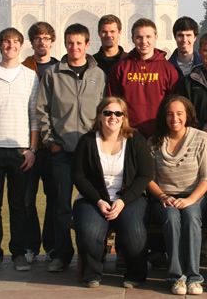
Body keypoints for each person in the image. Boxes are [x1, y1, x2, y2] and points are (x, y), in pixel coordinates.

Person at [36, 23, 106, 272]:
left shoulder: (98, 75)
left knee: (95, 201)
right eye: (70, 43)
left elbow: (104, 111)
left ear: (88, 45)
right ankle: (61, 254)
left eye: (79, 43)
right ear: (64, 45)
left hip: (90, 152)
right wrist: (50, 141)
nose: (74, 47)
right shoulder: (53, 74)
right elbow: (42, 109)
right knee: (60, 204)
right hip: (62, 151)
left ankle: (94, 252)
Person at [0, 27, 39, 272]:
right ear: (0, 45)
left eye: (14, 42)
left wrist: (33, 148)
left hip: (20, 150)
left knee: (19, 205)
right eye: (5, 42)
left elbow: (34, 115)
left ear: (21, 46)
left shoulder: (30, 76)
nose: (10, 46)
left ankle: (19, 252)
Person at [72, 97, 154, 288]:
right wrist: (99, 201)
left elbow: (145, 175)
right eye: (107, 112)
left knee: (134, 232)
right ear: (100, 116)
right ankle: (92, 273)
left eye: (118, 113)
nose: (113, 117)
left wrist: (123, 201)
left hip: (128, 198)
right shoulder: (87, 140)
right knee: (89, 231)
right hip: (93, 198)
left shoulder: (135, 139)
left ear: (124, 117)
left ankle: (135, 275)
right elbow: (78, 175)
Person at [148, 95, 207, 295]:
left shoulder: (201, 138)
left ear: (187, 115)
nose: (174, 118)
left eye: (179, 113)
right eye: (169, 114)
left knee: (192, 217)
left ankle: (194, 276)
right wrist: (162, 197)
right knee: (171, 217)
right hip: (164, 197)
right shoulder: (154, 141)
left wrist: (190, 200)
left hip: (194, 195)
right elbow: (149, 178)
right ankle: (176, 276)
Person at [21, 22, 59, 264]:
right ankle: (30, 246)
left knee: (55, 198)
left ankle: (53, 246)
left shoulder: (59, 68)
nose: (42, 42)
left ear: (51, 41)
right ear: (31, 41)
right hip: (25, 144)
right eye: (37, 38)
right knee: (26, 198)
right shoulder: (22, 69)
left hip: (52, 145)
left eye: (46, 38)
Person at [107, 18, 179, 137]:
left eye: (148, 37)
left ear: (155, 37)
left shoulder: (168, 69)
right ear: (133, 39)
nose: (144, 41)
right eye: (139, 37)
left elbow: (174, 105)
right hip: (128, 134)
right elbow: (113, 103)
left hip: (160, 134)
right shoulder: (121, 68)